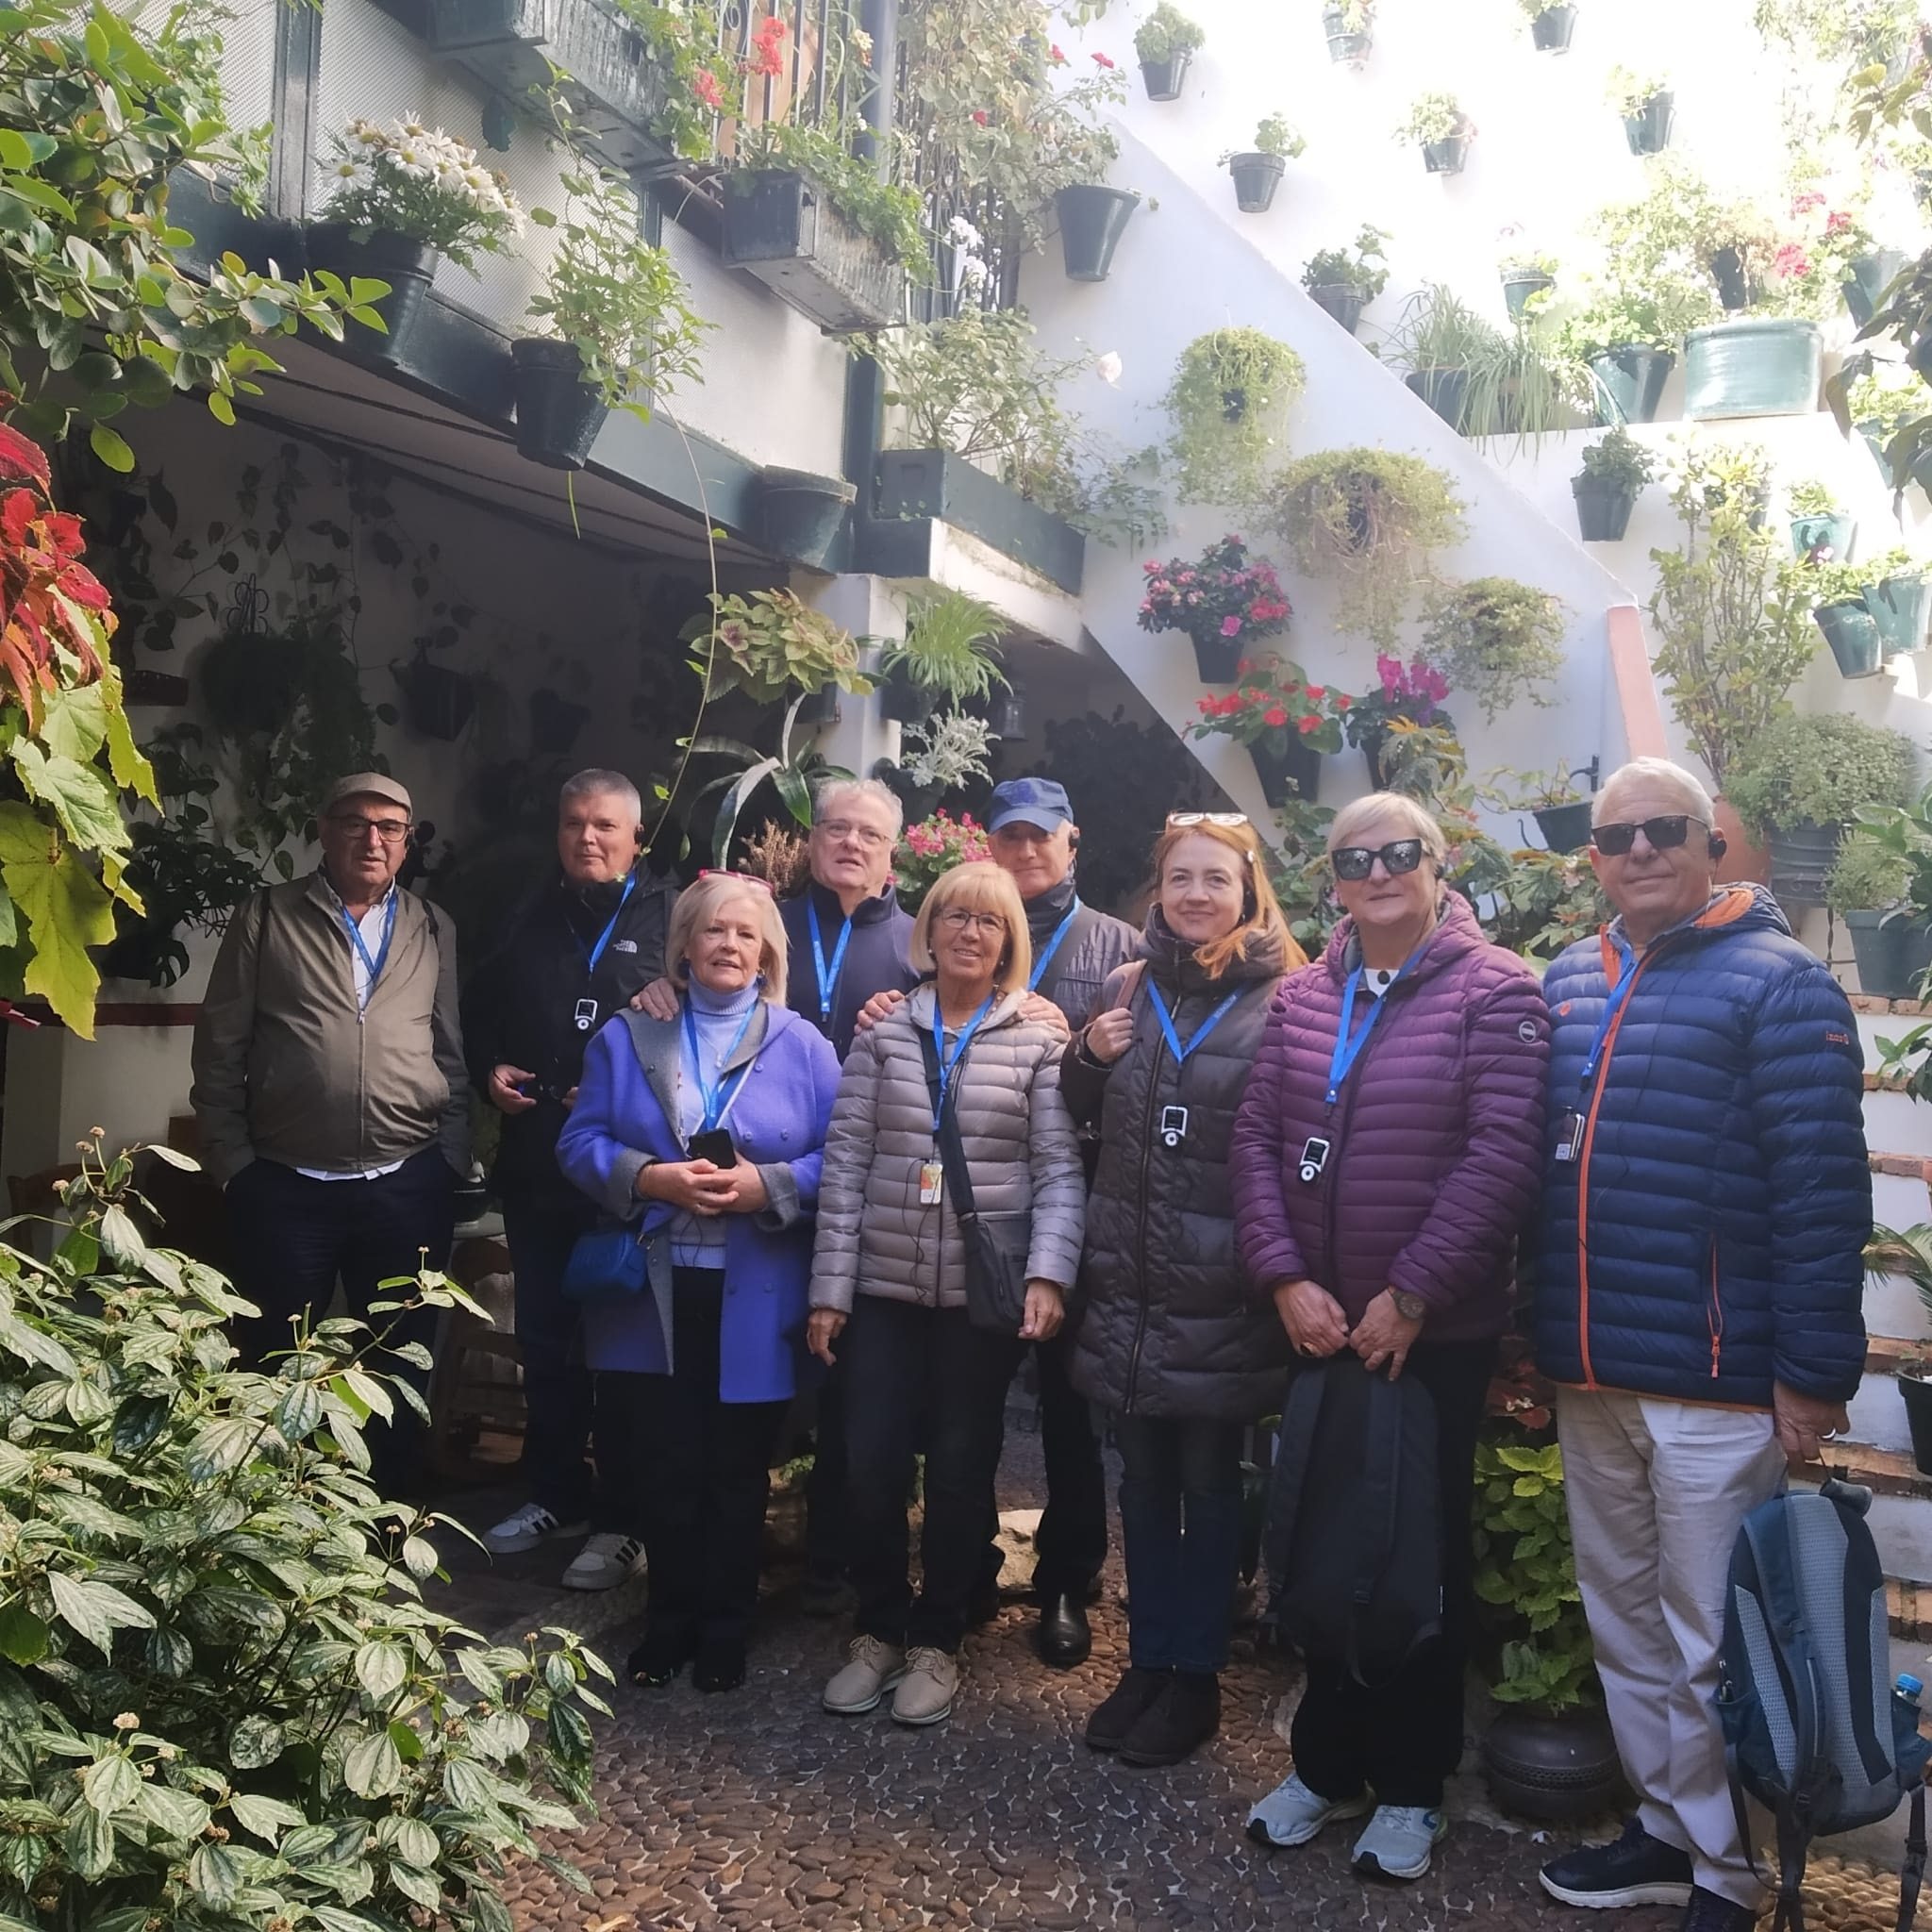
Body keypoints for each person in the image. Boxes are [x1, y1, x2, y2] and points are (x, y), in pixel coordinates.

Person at [1530, 758, 1869, 1932]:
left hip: (1715, 1382)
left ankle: (1729, 1870)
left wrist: (1809, 1374)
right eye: (1614, 834)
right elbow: (1535, 1177)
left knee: (1712, 1635)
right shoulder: (1571, 976)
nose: (1638, 851)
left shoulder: (1780, 985)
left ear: (1710, 840)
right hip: (1589, 1369)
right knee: (1622, 1617)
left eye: (1663, 829)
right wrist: (1532, 1344)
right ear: (1591, 854)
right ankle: (1669, 1831)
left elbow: (1822, 1195)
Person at [1231, 792, 1548, 1883]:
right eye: (1355, 857)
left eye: (1397, 852)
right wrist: (1283, 1279)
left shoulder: (1494, 988)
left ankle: (1412, 1784)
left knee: (1413, 1558)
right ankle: (1324, 1765)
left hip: (1427, 1337)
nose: (1377, 871)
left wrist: (1410, 1295)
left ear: (1436, 860)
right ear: (1333, 876)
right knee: (1319, 1540)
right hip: (1317, 1326)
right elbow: (1255, 1144)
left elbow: (1501, 1157)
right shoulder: (1302, 995)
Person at [852, 775, 1135, 1667]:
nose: (1024, 852)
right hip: (951, 1220)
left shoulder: (1118, 947)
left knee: (1066, 1413)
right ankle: (960, 1575)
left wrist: (1076, 1045)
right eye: (1008, 836)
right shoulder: (943, 941)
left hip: (1067, 1208)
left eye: (1039, 838)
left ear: (1070, 842)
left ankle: (1063, 1581)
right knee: (959, 1420)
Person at [808, 861, 1085, 1729]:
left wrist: (1048, 1274)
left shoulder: (1039, 1037)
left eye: (990, 922)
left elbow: (1057, 1170)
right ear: (927, 930)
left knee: (964, 1470)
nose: (970, 932)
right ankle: (878, 1627)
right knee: (870, 1463)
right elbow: (846, 1165)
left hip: (980, 1298)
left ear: (1010, 942)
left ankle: (938, 1638)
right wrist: (830, 1291)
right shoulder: (884, 1032)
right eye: (955, 916)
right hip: (884, 1287)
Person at [556, 872, 840, 1692]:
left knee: (737, 1473)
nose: (727, 945)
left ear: (766, 954)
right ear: (683, 946)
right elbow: (578, 1145)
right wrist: (650, 1179)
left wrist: (767, 1187)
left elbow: (840, 1157)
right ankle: (666, 1623)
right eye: (712, 930)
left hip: (756, 1294)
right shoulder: (627, 1035)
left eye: (745, 934)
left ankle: (725, 1627)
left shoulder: (805, 1045)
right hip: (655, 1290)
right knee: (664, 1468)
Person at [1061, 813, 1303, 1768]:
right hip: (1130, 1280)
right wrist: (1088, 1056)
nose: (1196, 893)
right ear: (1155, 889)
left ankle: (1193, 1675)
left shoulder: (1288, 995)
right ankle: (1146, 1658)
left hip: (1221, 1287)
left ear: (1249, 891)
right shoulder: (1129, 985)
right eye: (1180, 878)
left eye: (1215, 878)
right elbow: (1079, 1118)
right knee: (1142, 1480)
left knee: (1207, 1487)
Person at [191, 772, 468, 1491]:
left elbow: (451, 1050)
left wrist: (451, 1158)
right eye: (355, 822)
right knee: (277, 1366)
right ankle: (273, 1523)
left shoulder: (433, 926)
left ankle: (385, 1530)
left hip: (406, 1183)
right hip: (285, 1185)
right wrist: (235, 1166)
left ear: (408, 843)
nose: (371, 840)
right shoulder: (267, 916)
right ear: (324, 828)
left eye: (390, 828)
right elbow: (220, 1047)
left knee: (400, 1365)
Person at [463, 771, 674, 1589]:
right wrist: (491, 1070)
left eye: (606, 827)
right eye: (574, 823)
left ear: (636, 837)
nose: (588, 838)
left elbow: (708, 1020)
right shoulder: (525, 912)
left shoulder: (668, 918)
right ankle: (556, 1491)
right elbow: (478, 1012)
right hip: (537, 1162)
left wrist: (677, 987)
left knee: (620, 1345)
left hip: (622, 1174)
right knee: (545, 1342)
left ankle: (624, 1516)